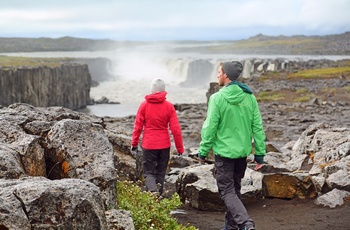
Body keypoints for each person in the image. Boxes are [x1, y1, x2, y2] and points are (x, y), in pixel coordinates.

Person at [198, 61, 266, 230]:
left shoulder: (217, 98)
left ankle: (246, 223)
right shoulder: (249, 97)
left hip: (224, 155)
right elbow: (257, 127)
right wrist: (259, 154)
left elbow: (210, 127)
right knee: (234, 191)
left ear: (226, 75)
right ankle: (231, 227)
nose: (217, 75)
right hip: (241, 155)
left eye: (219, 72)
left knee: (227, 192)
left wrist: (203, 151)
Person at [131, 78, 184, 196]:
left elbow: (138, 126)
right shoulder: (169, 106)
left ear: (151, 90)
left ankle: (153, 192)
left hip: (149, 144)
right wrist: (180, 148)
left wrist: (134, 143)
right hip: (164, 145)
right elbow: (176, 130)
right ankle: (157, 197)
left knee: (149, 173)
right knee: (160, 173)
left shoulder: (144, 105)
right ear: (164, 90)